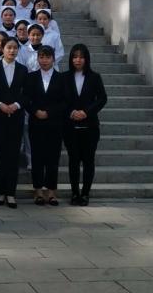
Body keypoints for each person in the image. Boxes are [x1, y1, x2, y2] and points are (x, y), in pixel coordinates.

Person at [61, 43, 108, 206]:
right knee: (73, 160)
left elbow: (102, 98)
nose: (78, 60)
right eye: (75, 57)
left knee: (88, 161)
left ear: (86, 59)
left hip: (90, 126)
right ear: (71, 59)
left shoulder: (94, 77)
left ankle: (86, 193)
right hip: (70, 126)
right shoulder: (64, 77)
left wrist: (86, 112)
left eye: (81, 57)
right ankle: (75, 193)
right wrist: (71, 112)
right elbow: (60, 99)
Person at [0, 37, 27, 209]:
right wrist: (0, 105)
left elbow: (27, 93)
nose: (12, 50)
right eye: (9, 47)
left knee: (14, 155)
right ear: (2, 49)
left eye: (15, 48)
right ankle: (1, 192)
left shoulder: (23, 69)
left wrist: (16, 105)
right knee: (1, 155)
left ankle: (11, 193)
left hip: (16, 116)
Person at [22, 45, 65, 206]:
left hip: (55, 123)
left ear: (53, 59)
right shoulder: (31, 77)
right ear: (37, 59)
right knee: (37, 158)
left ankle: (52, 192)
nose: (44, 60)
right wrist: (35, 111)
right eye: (41, 57)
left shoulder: (61, 78)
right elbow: (26, 99)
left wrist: (49, 112)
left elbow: (65, 101)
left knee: (53, 158)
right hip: (36, 122)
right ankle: (38, 191)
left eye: (47, 57)